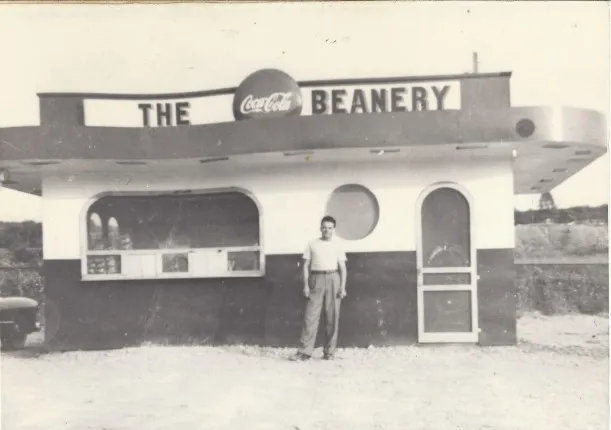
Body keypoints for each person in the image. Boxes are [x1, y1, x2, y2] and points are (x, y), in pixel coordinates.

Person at [290, 215, 347, 361]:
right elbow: (305, 266)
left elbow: (343, 268)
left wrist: (342, 287)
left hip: (334, 278)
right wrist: (306, 285)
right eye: (324, 227)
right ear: (320, 228)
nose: (326, 230)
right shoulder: (312, 244)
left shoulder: (338, 245)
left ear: (334, 229)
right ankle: (304, 352)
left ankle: (329, 352)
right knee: (310, 317)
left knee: (332, 317)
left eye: (330, 228)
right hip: (316, 279)